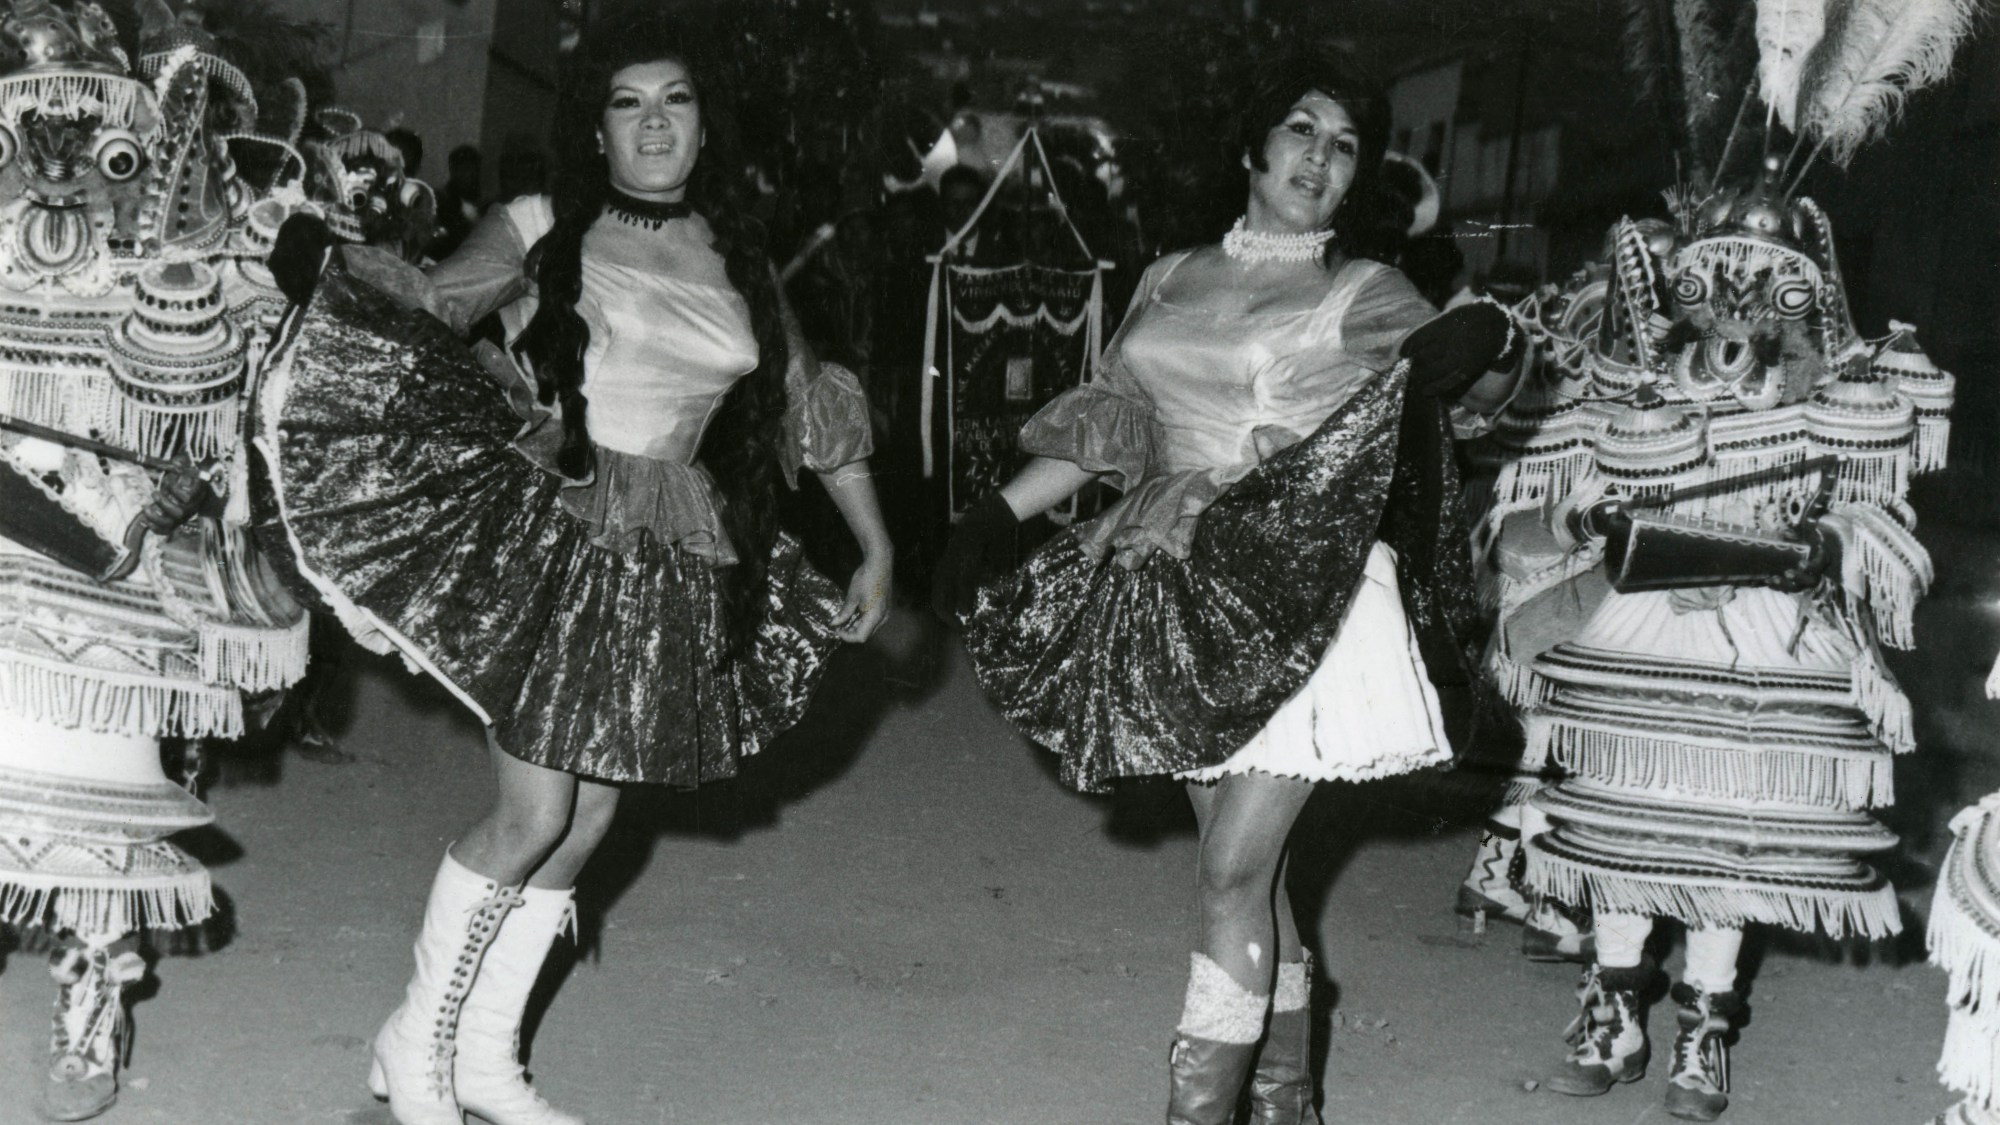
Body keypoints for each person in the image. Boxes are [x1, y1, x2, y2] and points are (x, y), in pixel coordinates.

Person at [259, 12, 893, 1125]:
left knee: (593, 813)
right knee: (533, 813)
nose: (653, 122)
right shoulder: (544, 224)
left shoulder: (739, 259)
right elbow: (432, 305)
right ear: (597, 130)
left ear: (703, 130)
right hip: (559, 535)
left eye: (675, 101)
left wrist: (876, 542)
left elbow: (807, 403)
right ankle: (418, 1039)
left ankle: (488, 1062)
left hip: (676, 551)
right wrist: (329, 256)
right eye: (628, 102)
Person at [933, 54, 1522, 1124]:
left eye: (1343, 145)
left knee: (1225, 879)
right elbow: (1113, 422)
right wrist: (994, 519)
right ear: (1252, 148)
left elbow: (1478, 378)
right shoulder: (1165, 277)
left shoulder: (1360, 289)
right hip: (1173, 586)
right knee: (1244, 877)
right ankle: (1286, 1102)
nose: (1319, 157)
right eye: (1300, 130)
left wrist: (1484, 341)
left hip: (1299, 594)